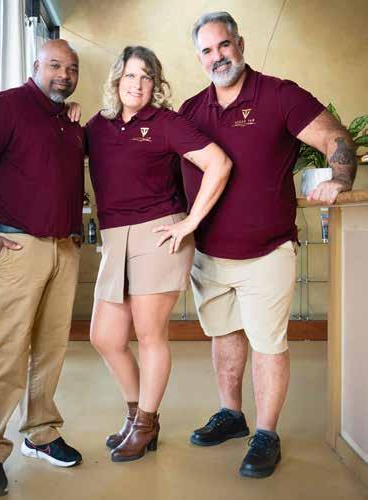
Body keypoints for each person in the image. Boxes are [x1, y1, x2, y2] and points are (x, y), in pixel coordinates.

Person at [175, 11, 357, 479]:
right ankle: (231, 414)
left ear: (241, 44)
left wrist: (339, 179)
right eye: (207, 50)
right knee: (224, 334)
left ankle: (266, 433)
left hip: (267, 251)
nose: (218, 56)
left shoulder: (279, 95)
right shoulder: (191, 111)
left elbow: (336, 138)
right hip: (208, 253)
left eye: (224, 45)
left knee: (268, 343)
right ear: (199, 58)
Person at [86, 46, 232, 463]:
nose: (137, 84)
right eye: (131, 75)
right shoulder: (97, 126)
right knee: (105, 337)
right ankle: (137, 416)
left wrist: (190, 222)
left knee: (150, 334)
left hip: (158, 233)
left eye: (146, 77)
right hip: (115, 237)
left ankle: (145, 423)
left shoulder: (167, 123)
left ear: (155, 84)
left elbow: (219, 164)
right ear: (117, 79)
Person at [0, 40, 85, 497]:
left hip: (62, 248)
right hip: (14, 246)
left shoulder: (69, 122)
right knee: (5, 351)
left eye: (71, 68)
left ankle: (41, 433)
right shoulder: (4, 106)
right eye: (55, 66)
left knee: (50, 349)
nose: (64, 75)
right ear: (35, 66)